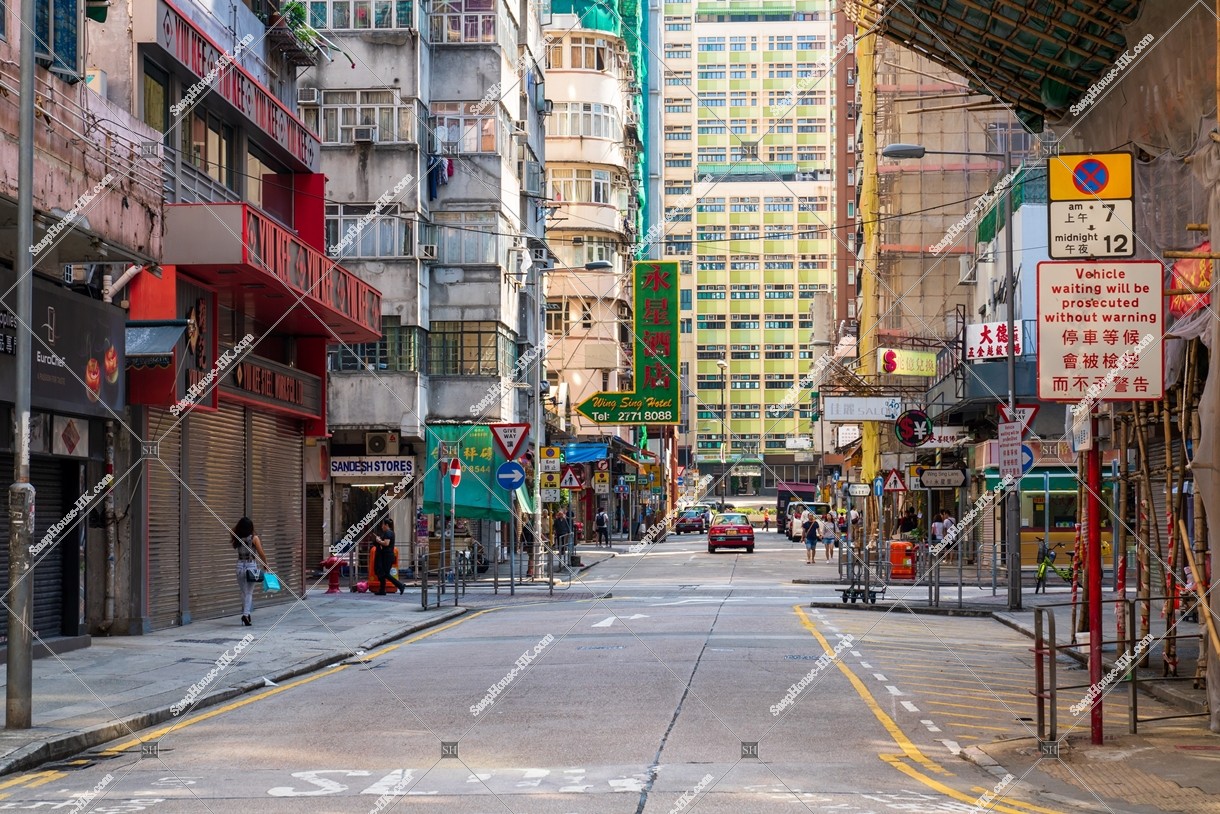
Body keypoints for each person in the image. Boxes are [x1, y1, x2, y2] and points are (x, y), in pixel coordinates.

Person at [232, 516, 269, 627]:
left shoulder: (237, 537)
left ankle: (246, 614)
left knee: (243, 592)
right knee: (249, 592)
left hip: (239, 566)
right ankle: (246, 614)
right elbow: (261, 553)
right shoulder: (254, 538)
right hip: (250, 566)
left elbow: (232, 530)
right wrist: (265, 564)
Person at [372, 519, 406, 595]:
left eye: (383, 524)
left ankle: (400, 585)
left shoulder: (389, 533)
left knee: (385, 573)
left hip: (387, 556)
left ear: (386, 525)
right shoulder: (386, 533)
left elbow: (386, 543)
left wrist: (379, 541)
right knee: (382, 573)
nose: (382, 526)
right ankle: (382, 590)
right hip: (385, 556)